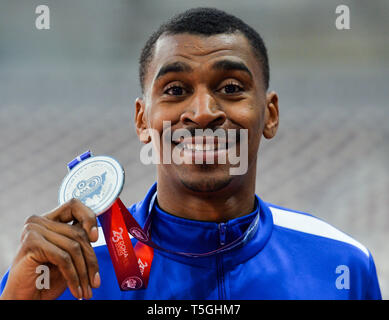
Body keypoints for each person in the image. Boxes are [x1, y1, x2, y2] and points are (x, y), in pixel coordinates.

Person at [0, 7, 381, 300]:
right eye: (175, 90)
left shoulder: (340, 263)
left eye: (231, 87)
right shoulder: (64, 268)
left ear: (270, 114)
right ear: (142, 120)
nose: (201, 113)